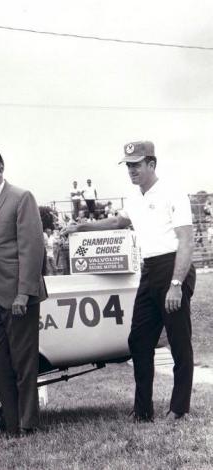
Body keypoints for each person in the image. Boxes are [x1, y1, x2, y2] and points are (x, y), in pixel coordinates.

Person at [62, 140, 196, 422]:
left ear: (151, 164)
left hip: (173, 267)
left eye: (136, 165)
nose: (131, 170)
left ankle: (179, 407)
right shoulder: (135, 197)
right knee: (138, 340)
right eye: (128, 165)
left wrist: (176, 284)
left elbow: (186, 241)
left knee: (178, 340)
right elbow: (117, 222)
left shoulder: (172, 192)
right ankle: (143, 410)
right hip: (149, 269)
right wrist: (83, 225)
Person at [0, 148, 47, 436]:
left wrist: (24, 293)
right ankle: (12, 423)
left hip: (17, 295)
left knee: (24, 362)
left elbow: (32, 247)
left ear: (0, 170)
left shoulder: (21, 197)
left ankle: (29, 422)